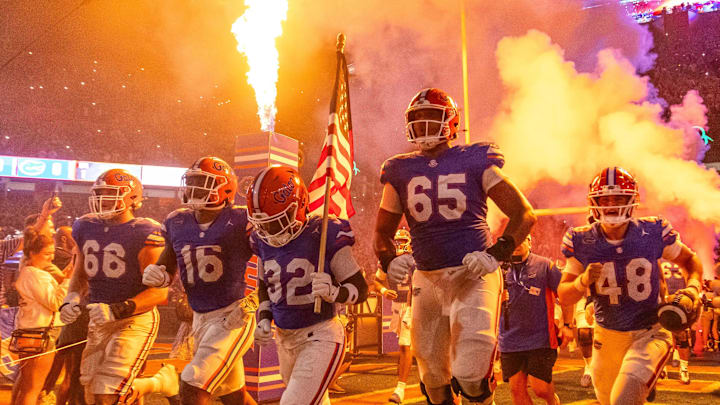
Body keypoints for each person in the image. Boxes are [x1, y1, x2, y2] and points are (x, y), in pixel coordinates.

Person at [373, 88, 536, 405]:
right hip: (427, 279)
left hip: (473, 275)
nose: (423, 124)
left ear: (451, 122)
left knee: (472, 375)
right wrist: (387, 260)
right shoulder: (399, 169)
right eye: (417, 118)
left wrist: (496, 254)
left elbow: (524, 214)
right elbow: (382, 231)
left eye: (431, 117)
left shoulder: (474, 160)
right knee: (432, 379)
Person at [557, 167, 704, 405]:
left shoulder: (652, 231)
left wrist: (694, 288)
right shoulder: (581, 239)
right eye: (606, 199)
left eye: (619, 198)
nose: (612, 204)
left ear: (632, 200)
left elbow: (689, 260)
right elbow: (564, 296)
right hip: (607, 336)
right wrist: (582, 281)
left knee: (624, 399)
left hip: (649, 331)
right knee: (611, 400)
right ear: (594, 202)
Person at [247, 165, 368, 405]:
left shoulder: (323, 231)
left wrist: (335, 292)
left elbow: (360, 289)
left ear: (299, 207)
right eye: (264, 223)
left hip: (320, 335)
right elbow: (265, 285)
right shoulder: (261, 240)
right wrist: (263, 318)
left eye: (277, 221)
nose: (270, 230)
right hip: (284, 338)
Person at [142, 157, 258, 405]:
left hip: (232, 316)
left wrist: (257, 300)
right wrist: (159, 273)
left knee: (193, 384)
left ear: (225, 188)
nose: (193, 188)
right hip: (200, 317)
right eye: (191, 182)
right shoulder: (177, 221)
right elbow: (168, 263)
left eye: (202, 182)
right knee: (234, 396)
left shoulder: (240, 219)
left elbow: (273, 259)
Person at [60, 169, 177, 405]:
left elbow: (160, 291)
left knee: (108, 392)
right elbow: (80, 274)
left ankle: (158, 383)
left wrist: (119, 309)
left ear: (133, 198)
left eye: (110, 194)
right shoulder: (85, 226)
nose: (102, 200)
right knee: (92, 392)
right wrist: (71, 298)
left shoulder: (145, 231)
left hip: (133, 319)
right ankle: (156, 384)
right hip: (98, 318)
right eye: (99, 193)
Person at [499, 236, 573, 405]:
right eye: (512, 241)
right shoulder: (499, 269)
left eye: (521, 240)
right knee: (517, 391)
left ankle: (552, 402)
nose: (516, 245)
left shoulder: (545, 265)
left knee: (541, 389)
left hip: (540, 339)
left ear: (530, 242)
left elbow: (565, 294)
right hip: (509, 340)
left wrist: (568, 325)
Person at [11, 227, 69, 405]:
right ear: (32, 253)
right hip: (40, 333)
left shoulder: (28, 270)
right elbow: (55, 303)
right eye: (46, 254)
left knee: (28, 386)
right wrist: (67, 281)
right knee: (33, 388)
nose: (51, 258)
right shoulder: (36, 274)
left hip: (30, 332)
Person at [373, 228, 415, 404]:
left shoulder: (416, 259)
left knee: (405, 345)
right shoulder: (387, 261)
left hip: (412, 304)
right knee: (405, 346)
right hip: (397, 306)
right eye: (397, 242)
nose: (399, 245)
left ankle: (400, 388)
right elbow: (376, 281)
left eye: (403, 242)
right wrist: (384, 290)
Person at [662, 262, 692, 384]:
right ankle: (661, 367)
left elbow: (692, 278)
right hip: (662, 300)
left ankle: (684, 368)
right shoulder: (657, 252)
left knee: (682, 336)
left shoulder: (684, 256)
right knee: (660, 336)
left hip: (681, 300)